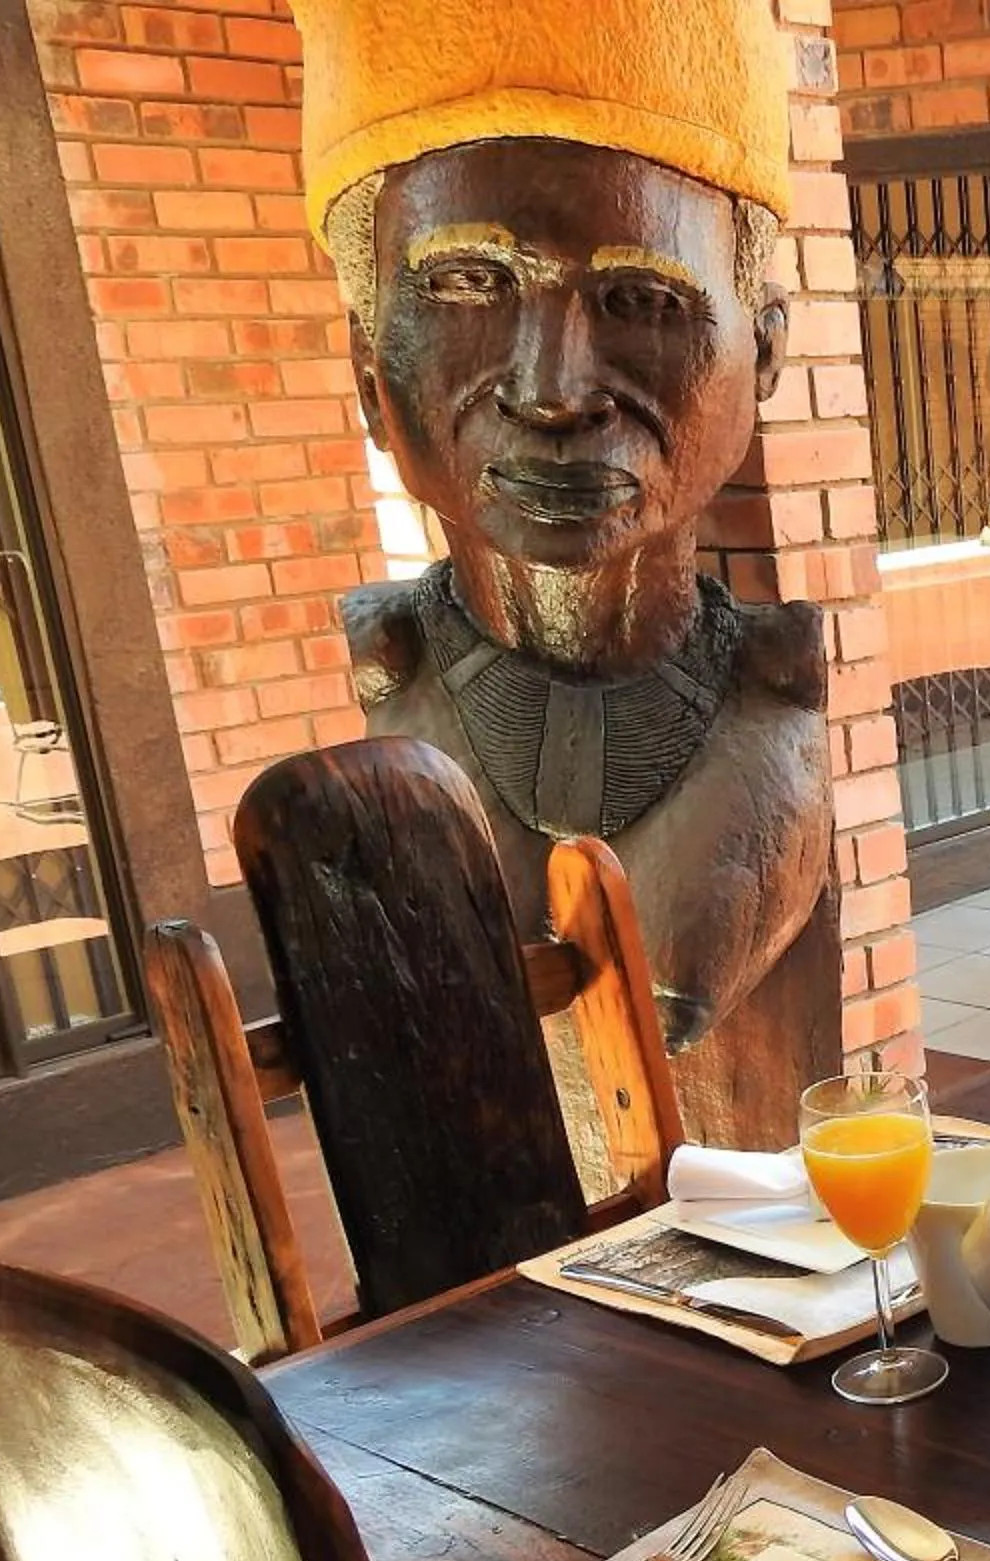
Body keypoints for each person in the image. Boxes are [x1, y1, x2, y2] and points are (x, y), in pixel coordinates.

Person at [293, 0, 837, 1148]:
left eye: (641, 299)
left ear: (764, 351)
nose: (551, 389)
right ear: (365, 364)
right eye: (466, 285)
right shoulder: (391, 681)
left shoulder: (775, 699)